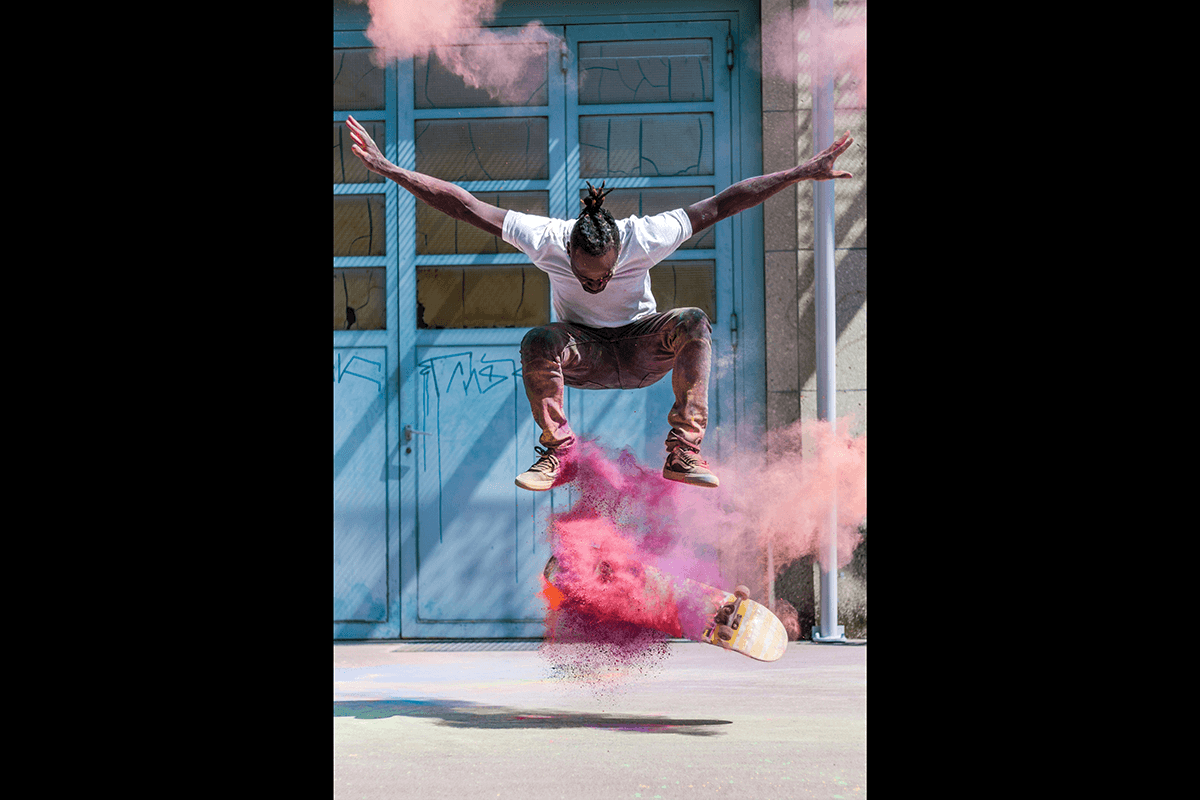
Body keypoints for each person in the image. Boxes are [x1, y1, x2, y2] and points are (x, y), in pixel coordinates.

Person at [345, 116, 854, 491]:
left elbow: (724, 203)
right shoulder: (545, 237)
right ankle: (557, 453)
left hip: (640, 349)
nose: (596, 284)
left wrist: (800, 173)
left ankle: (683, 450)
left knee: (694, 321)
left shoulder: (645, 235)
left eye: (605, 275)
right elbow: (464, 205)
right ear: (568, 251)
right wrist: (391, 169)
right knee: (540, 339)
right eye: (586, 278)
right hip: (582, 353)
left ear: (618, 252)